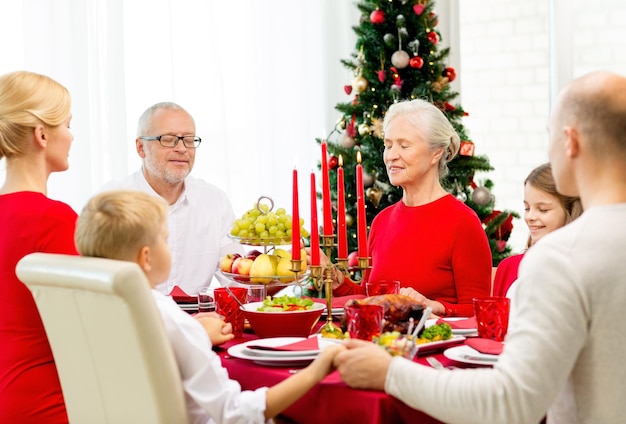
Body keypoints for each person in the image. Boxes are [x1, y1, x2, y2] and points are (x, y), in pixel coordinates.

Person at [334, 70, 626, 424]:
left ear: (570, 142)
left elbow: (511, 402)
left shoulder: (560, 258)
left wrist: (390, 373)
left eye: (549, 135)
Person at [75, 190, 343, 423]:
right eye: (165, 240)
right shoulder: (170, 318)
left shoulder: (93, 312)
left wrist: (195, 331)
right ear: (146, 257)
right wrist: (318, 369)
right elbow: (235, 414)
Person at [325, 98, 492, 317]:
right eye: (388, 145)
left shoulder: (463, 222)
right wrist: (335, 279)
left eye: (404, 145)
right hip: (382, 346)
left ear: (436, 153)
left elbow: (478, 311)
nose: (391, 155)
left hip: (432, 348)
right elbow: (370, 298)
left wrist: (434, 306)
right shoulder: (382, 221)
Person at [101, 102, 243, 296]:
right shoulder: (111, 202)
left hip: (199, 323)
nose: (182, 148)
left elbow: (239, 280)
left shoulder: (215, 201)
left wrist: (281, 271)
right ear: (141, 147)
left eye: (189, 139)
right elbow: (98, 285)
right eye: (168, 139)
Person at [0, 71, 77, 422]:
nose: (72, 137)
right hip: (47, 403)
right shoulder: (55, 219)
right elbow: (95, 329)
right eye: (68, 125)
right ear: (42, 134)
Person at [492, 162, 582, 297]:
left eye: (543, 210)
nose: (530, 217)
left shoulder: (582, 271)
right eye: (527, 208)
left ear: (570, 211)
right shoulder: (509, 267)